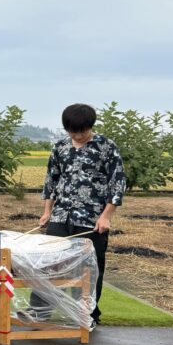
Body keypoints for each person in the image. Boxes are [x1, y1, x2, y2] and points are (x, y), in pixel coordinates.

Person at [36, 103, 126, 325]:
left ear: (90, 126)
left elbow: (117, 184)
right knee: (50, 264)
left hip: (91, 219)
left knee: (89, 269)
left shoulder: (106, 147)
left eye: (82, 131)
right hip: (61, 216)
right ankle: (39, 312)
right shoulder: (60, 147)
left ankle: (86, 315)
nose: (77, 136)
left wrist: (106, 216)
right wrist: (47, 212)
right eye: (72, 131)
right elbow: (51, 181)